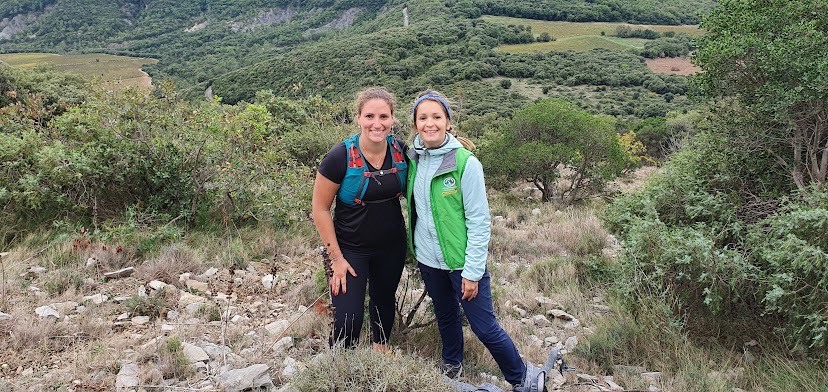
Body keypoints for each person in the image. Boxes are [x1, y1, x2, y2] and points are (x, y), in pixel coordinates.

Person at [406, 90, 534, 391]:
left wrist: (472, 270)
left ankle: (522, 377)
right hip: (428, 259)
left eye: (437, 117)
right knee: (446, 316)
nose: (430, 124)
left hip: (462, 262)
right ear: (414, 125)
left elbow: (479, 221)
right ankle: (451, 366)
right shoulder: (412, 159)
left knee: (483, 326)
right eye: (422, 118)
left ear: (448, 122)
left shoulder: (465, 163)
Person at [312, 87, 408, 352]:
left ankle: (380, 354)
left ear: (392, 118)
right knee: (348, 321)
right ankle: (341, 368)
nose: (377, 124)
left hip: (392, 246)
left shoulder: (401, 152)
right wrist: (336, 258)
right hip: (349, 250)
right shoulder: (338, 157)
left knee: (384, 302)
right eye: (369, 116)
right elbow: (319, 208)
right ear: (358, 117)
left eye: (384, 117)